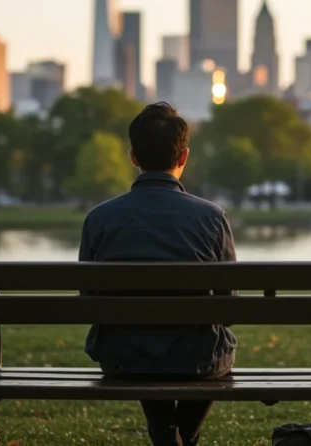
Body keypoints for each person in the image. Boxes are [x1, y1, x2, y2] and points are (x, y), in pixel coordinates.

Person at [78, 102, 238, 446]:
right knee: (204, 349)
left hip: (124, 359)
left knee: (145, 349)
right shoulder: (212, 217)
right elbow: (229, 306)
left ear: (133, 157)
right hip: (197, 359)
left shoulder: (99, 219)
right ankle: (182, 439)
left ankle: (170, 439)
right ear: (184, 158)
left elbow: (87, 300)